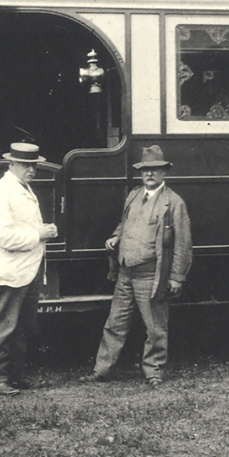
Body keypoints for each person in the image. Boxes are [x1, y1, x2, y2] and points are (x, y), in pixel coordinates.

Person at [81, 145, 193, 387]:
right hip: (125, 273)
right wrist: (115, 237)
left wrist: (176, 278)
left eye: (154, 170)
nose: (149, 174)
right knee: (115, 324)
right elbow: (124, 224)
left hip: (151, 275)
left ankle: (153, 371)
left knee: (155, 328)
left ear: (164, 173)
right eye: (145, 170)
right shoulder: (133, 195)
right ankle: (102, 370)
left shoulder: (174, 203)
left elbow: (183, 244)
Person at [0, 142, 58, 396]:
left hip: (29, 270)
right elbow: (4, 238)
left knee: (23, 327)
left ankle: (15, 375)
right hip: (11, 272)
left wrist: (42, 232)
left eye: (34, 165)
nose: (32, 170)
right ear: (12, 164)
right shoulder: (0, 192)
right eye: (26, 165)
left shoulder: (22, 188)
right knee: (4, 327)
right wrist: (39, 233)